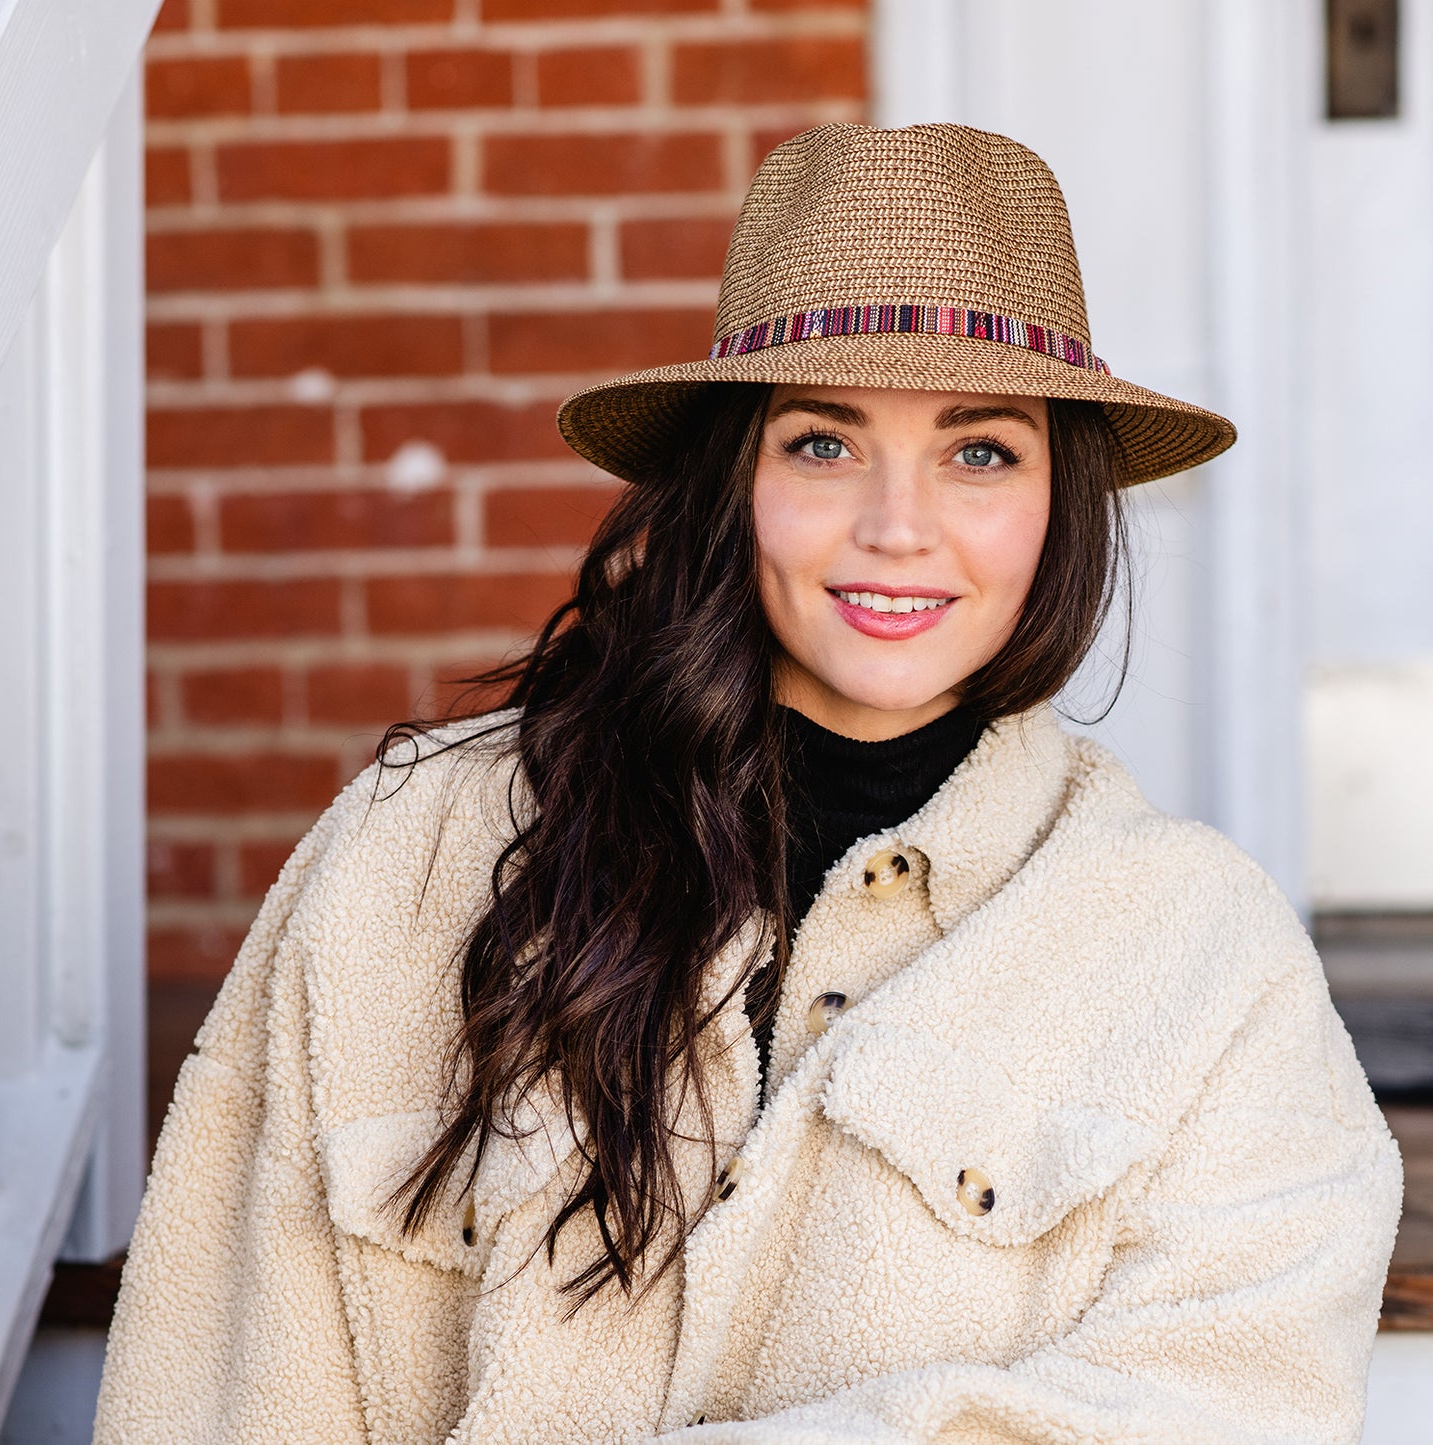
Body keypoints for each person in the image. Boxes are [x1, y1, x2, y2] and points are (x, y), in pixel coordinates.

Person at [95, 124, 1401, 1445]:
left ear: (1062, 498)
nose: (898, 523)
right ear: (734, 478)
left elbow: (1232, 1405)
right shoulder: (413, 850)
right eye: (822, 444)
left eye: (980, 450)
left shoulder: (1202, 958)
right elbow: (218, 1377)